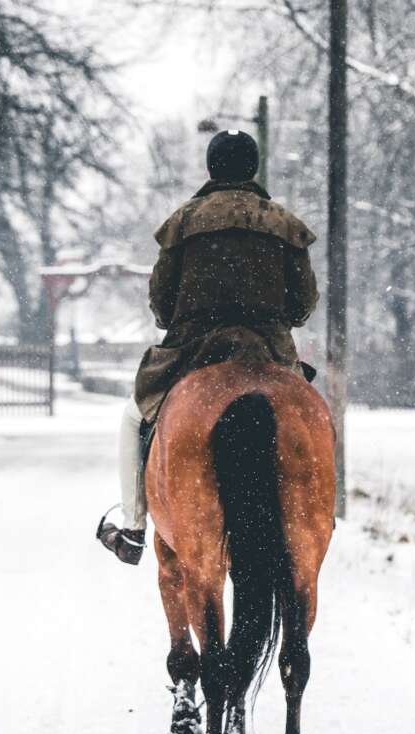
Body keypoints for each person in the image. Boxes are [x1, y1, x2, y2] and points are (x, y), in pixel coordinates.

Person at [97, 129, 319, 565]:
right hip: (268, 349)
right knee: (311, 421)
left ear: (210, 168)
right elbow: (303, 303)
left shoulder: (181, 224)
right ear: (253, 168)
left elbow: (161, 305)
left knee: (132, 417)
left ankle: (134, 526)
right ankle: (318, 514)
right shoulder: (285, 225)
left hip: (194, 348)